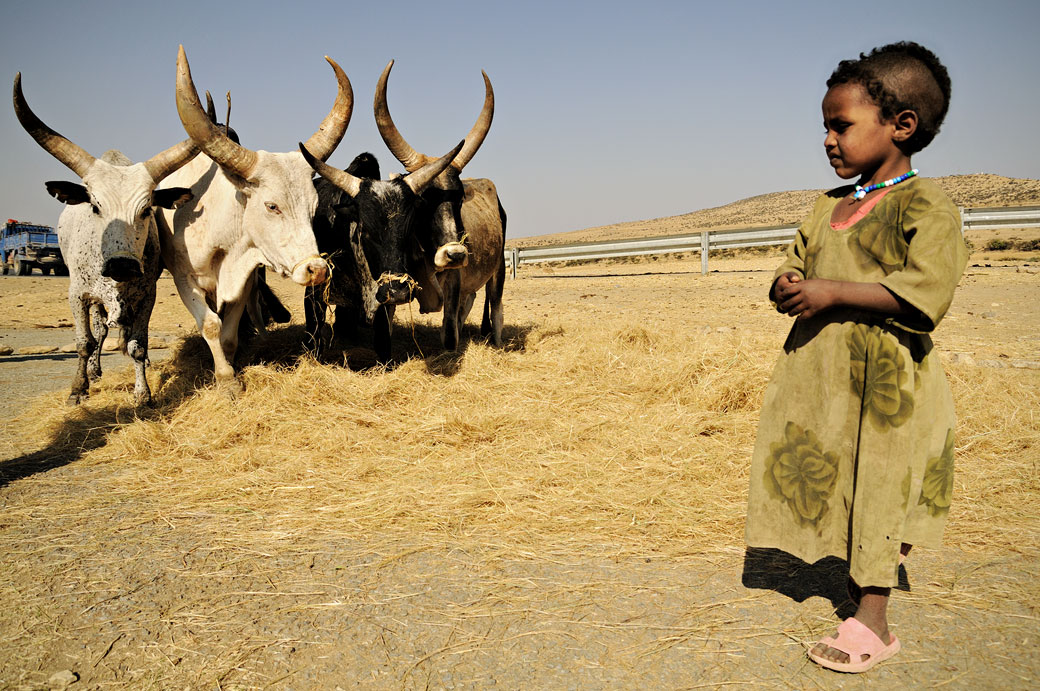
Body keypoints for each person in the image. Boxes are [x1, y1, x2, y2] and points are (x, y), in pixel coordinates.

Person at [744, 42, 967, 674]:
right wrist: (787, 282)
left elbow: (927, 295)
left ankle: (874, 620)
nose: (827, 139)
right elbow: (799, 260)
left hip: (890, 388)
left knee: (878, 484)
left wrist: (833, 291)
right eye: (824, 126)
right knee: (842, 479)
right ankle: (861, 572)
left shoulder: (926, 206)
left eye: (841, 125)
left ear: (902, 126)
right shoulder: (827, 207)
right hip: (824, 382)